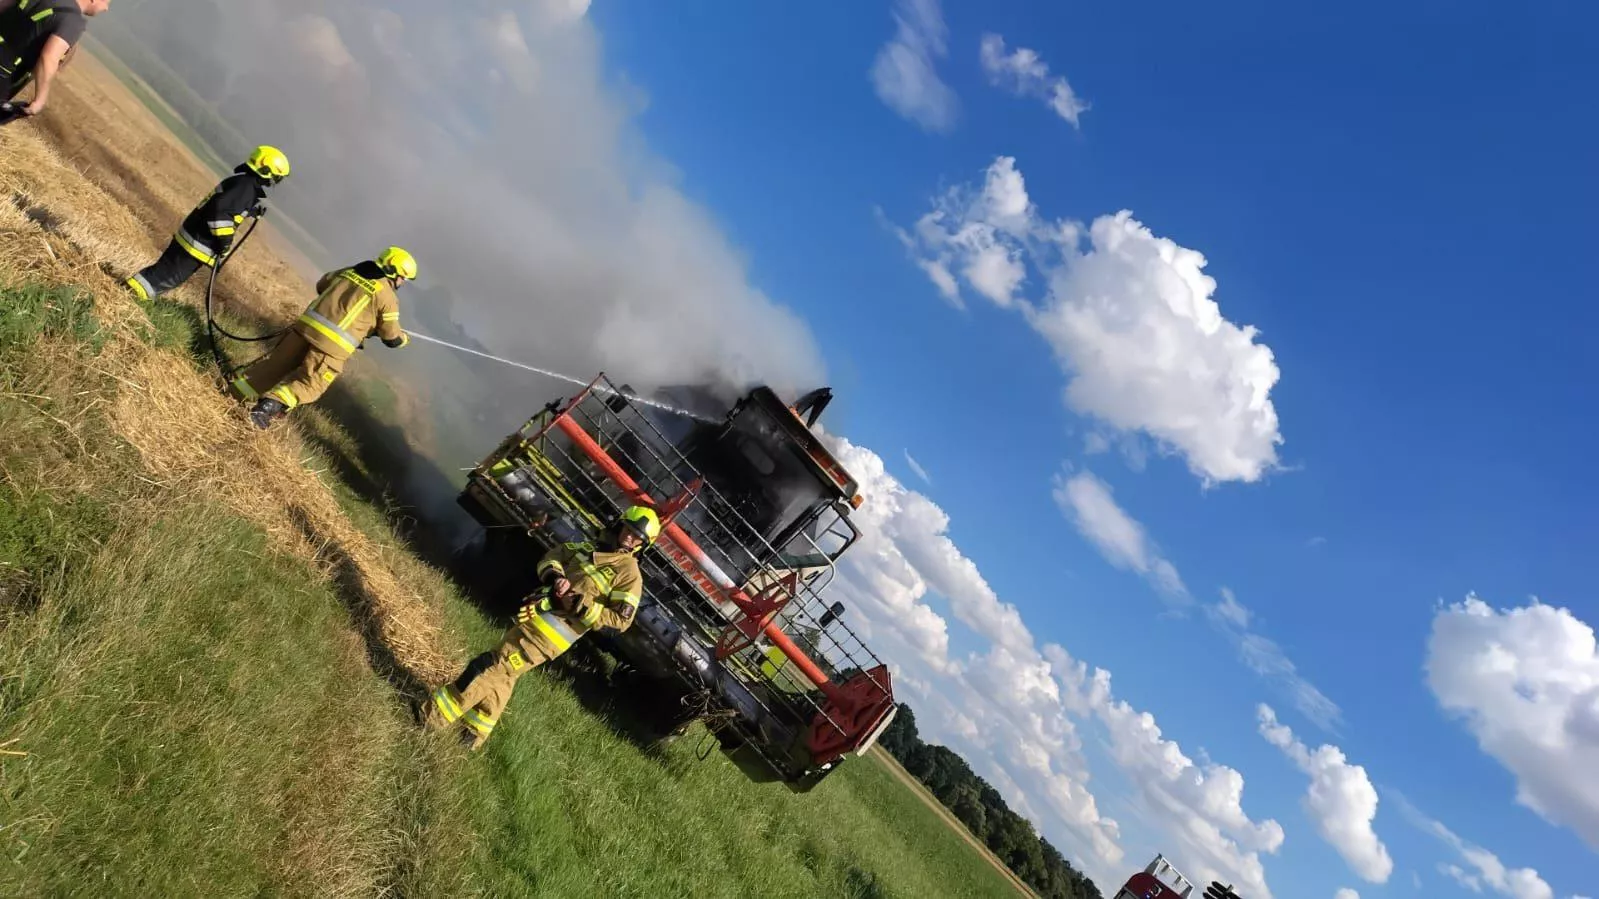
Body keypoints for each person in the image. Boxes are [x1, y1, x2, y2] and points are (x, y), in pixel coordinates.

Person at [424, 506, 660, 749]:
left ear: (643, 545)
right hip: (534, 617)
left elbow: (620, 621)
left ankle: (433, 717)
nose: (629, 537)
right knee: (505, 675)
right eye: (628, 529)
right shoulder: (591, 547)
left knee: (489, 666)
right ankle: (473, 735)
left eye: (636, 537)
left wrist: (580, 604)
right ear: (620, 525)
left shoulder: (629, 575)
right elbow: (551, 558)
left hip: (550, 636)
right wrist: (556, 577)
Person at [232, 246, 416, 429]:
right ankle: (267, 407)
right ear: (395, 272)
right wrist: (405, 338)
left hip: (304, 329)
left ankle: (234, 392)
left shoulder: (351, 271)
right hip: (330, 349)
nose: (403, 282)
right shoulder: (387, 296)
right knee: (311, 384)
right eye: (403, 278)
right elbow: (392, 338)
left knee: (274, 366)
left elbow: (322, 285)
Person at [123, 145, 291, 301]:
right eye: (277, 177)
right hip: (197, 244)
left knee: (163, 271)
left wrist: (251, 211)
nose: (275, 182)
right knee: (166, 277)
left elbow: (229, 207)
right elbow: (219, 213)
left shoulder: (241, 182)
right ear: (266, 170)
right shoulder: (246, 188)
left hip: (192, 237)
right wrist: (224, 242)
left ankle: (129, 291)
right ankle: (131, 296)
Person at [0, 0, 108, 117]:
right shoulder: (73, 20)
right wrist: (39, 100)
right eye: (106, 2)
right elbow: (49, 57)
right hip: (4, 70)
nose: (106, 8)